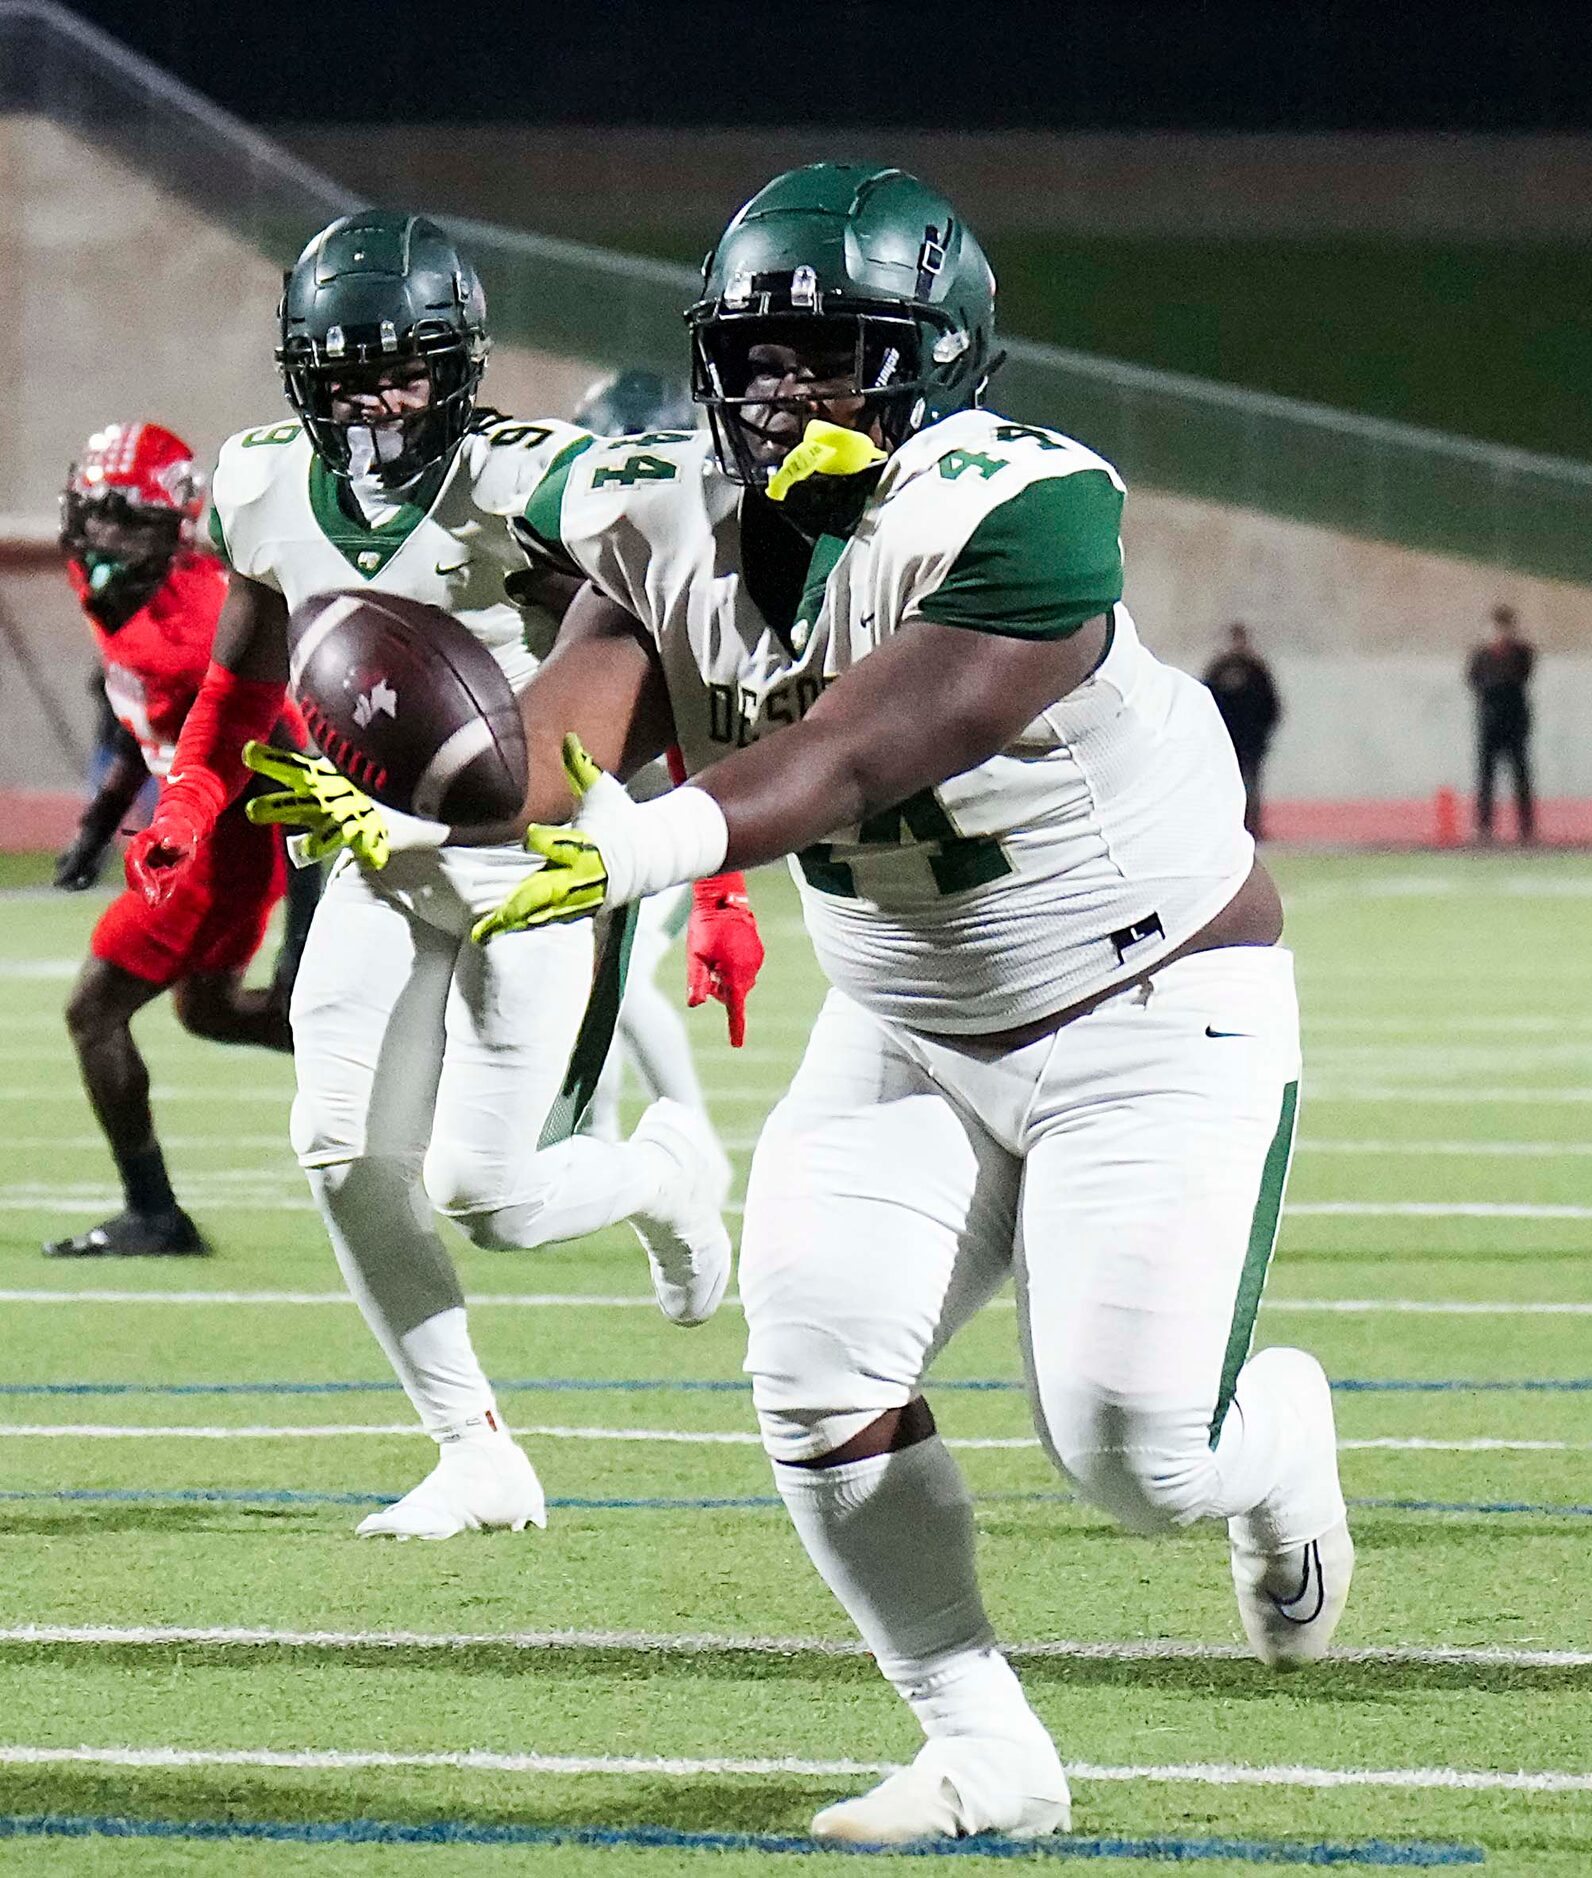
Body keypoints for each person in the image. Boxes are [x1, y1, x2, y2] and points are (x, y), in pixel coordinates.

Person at [282, 166, 1351, 1842]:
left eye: (830, 356)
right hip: (905, 1024)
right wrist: (438, 789)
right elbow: (568, 730)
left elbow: (865, 746)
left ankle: (1277, 1449)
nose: (780, 392)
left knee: (1137, 1453)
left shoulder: (1023, 504)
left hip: (1146, 1001)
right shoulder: (661, 523)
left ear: (931, 362)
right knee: (815, 1373)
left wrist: (648, 848)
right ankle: (984, 1748)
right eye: (754, 358)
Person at [123, 211, 737, 1540]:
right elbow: (241, 660)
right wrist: (189, 792)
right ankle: (476, 1451)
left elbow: (670, 616)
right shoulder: (265, 481)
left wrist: (722, 875)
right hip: (371, 851)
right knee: (337, 1149)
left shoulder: (538, 477)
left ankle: (664, 1169)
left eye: (401, 368)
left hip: (535, 865)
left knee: (490, 1197)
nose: (374, 398)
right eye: (344, 371)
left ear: (461, 366)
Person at [45, 422, 296, 1259]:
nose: (108, 536)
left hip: (226, 838)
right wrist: (96, 819)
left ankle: (153, 1213)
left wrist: (304, 932)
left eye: (130, 520)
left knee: (93, 1012)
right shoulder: (100, 578)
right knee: (211, 1013)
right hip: (185, 827)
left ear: (175, 528)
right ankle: (401, 1062)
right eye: (98, 514)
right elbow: (131, 706)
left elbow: (294, 768)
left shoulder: (203, 624)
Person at [565, 372, 761, 1144]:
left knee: (625, 987)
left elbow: (699, 728)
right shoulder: (583, 550)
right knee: (592, 987)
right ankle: (593, 1143)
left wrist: (720, 885)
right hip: (602, 814)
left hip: (670, 817)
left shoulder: (699, 559)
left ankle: (692, 1149)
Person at [1201, 622, 1281, 836]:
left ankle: (1251, 827)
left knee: (1250, 785)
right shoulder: (1219, 669)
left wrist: (1261, 732)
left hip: (1251, 741)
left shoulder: (1256, 670)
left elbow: (1270, 705)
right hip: (1225, 740)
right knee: (1225, 785)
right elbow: (1206, 702)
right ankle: (1229, 828)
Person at [1466, 603, 1534, 842]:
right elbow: (1473, 680)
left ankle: (1526, 827)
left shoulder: (1522, 652)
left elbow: (1521, 676)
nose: (1500, 632)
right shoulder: (1481, 655)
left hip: (1515, 719)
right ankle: (1484, 826)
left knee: (1520, 773)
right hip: (1489, 720)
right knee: (1486, 775)